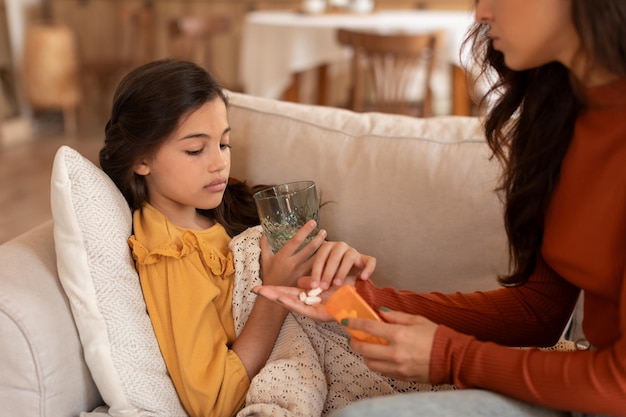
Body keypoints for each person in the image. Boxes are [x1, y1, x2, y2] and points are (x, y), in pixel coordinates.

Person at [253, 0, 626, 416]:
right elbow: (540, 310)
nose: (482, 12)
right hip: (582, 388)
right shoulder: (566, 117)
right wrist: (362, 299)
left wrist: (451, 357)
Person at [98, 58, 376, 417]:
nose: (219, 163)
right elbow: (215, 400)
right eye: (195, 150)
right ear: (141, 160)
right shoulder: (170, 253)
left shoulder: (219, 214)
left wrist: (335, 273)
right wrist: (274, 291)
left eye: (224, 144)